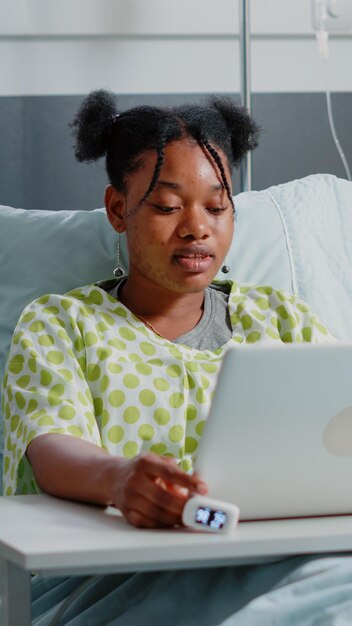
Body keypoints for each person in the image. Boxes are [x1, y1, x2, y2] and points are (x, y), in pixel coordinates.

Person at [3, 90, 352, 625]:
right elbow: (51, 446)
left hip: (285, 559)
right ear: (119, 210)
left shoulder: (282, 319)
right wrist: (119, 480)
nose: (197, 227)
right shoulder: (61, 325)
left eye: (217, 206)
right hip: (118, 579)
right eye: (167, 207)